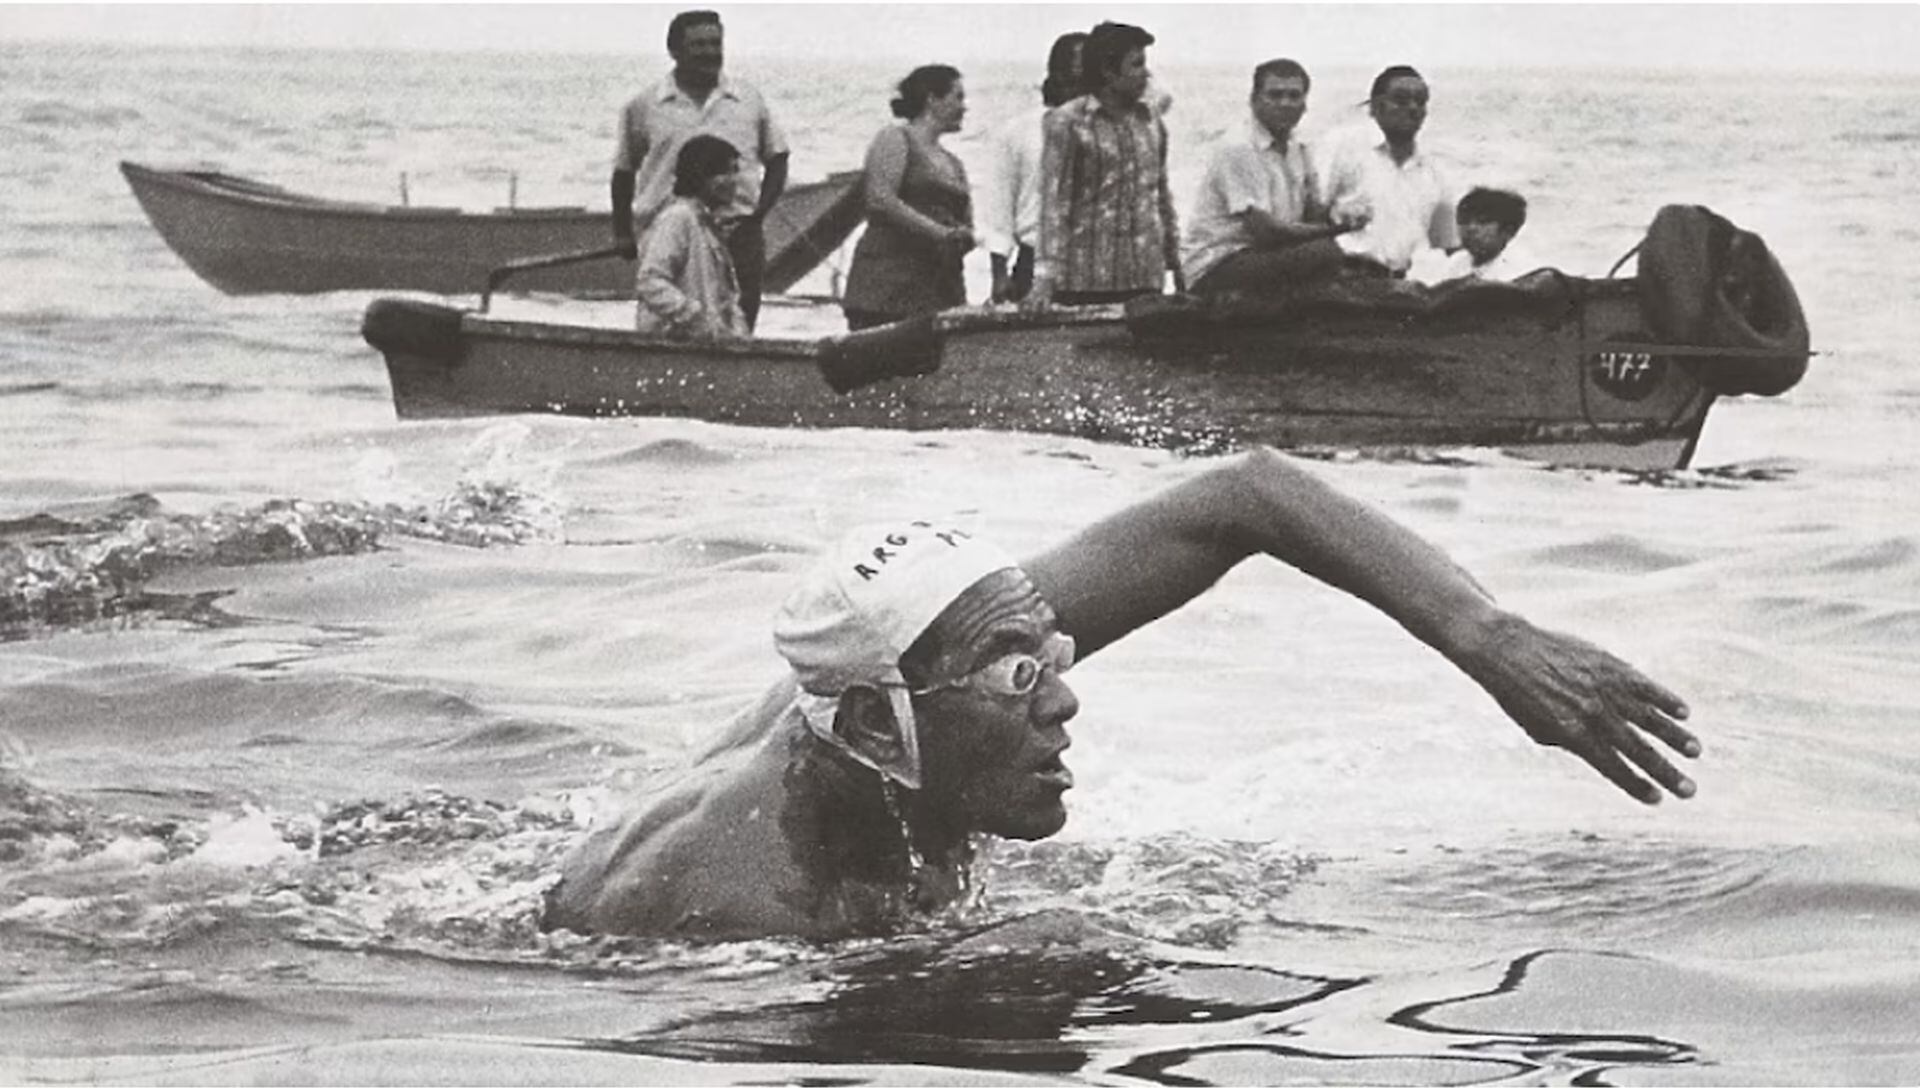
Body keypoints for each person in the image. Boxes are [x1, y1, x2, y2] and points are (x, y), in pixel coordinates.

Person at [546, 449, 1701, 943]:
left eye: (1054, 657)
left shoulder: (905, 673)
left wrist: (1489, 638)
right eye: (1021, 678)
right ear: (871, 724)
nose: (1064, 701)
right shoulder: (748, 913)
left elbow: (1245, 496)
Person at [611, 10, 789, 331]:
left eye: (715, 43)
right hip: (672, 231)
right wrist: (622, 231)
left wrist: (757, 217)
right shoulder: (645, 105)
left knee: (738, 328)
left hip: (738, 233)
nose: (710, 52)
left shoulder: (748, 99)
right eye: (699, 44)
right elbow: (624, 172)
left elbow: (777, 159)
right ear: (674, 50)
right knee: (669, 321)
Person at [1028, 22, 1183, 308]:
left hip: (1145, 276)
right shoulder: (1067, 122)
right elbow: (1054, 204)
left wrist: (1177, 260)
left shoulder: (1150, 121)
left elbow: (1161, 195)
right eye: (1136, 64)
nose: (1146, 74)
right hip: (1085, 280)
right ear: (1108, 72)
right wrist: (1044, 278)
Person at [1183, 59, 1352, 296]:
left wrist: (1349, 210)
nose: (1285, 104)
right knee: (1324, 253)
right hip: (1218, 263)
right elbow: (1267, 232)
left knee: (1343, 259)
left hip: (1264, 255)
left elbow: (1313, 215)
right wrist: (1338, 229)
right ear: (1254, 100)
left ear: (1305, 104)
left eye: (1294, 96)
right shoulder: (1238, 147)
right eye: (1275, 95)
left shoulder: (1299, 147)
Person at [840, 66, 975, 331]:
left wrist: (966, 236)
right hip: (887, 284)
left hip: (938, 288)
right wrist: (939, 233)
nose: (964, 107)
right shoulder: (895, 138)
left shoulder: (954, 163)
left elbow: (964, 220)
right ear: (932, 99)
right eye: (958, 97)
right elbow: (880, 199)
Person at [1319, 65, 1457, 278]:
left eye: (1420, 101)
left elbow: (1447, 242)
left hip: (1402, 284)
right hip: (1345, 278)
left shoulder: (1433, 170)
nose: (1412, 108)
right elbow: (1311, 213)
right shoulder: (1343, 146)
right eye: (1401, 100)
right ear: (1376, 106)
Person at [980, 33, 1087, 304]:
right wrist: (999, 274)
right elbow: (999, 208)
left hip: (1097, 262)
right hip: (1034, 260)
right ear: (1059, 74)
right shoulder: (1018, 131)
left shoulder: (1108, 132)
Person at [631, 135, 749, 340]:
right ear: (700, 176)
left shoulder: (707, 224)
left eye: (735, 172)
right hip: (672, 342)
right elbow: (650, 281)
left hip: (706, 342)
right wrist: (694, 317)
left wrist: (737, 333)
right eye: (725, 172)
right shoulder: (678, 217)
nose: (733, 181)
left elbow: (724, 297)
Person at [1408, 187, 1544, 286]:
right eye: (1464, 221)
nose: (1471, 228)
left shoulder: (1523, 271)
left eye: (1483, 222)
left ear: (1508, 231)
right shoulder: (1457, 263)